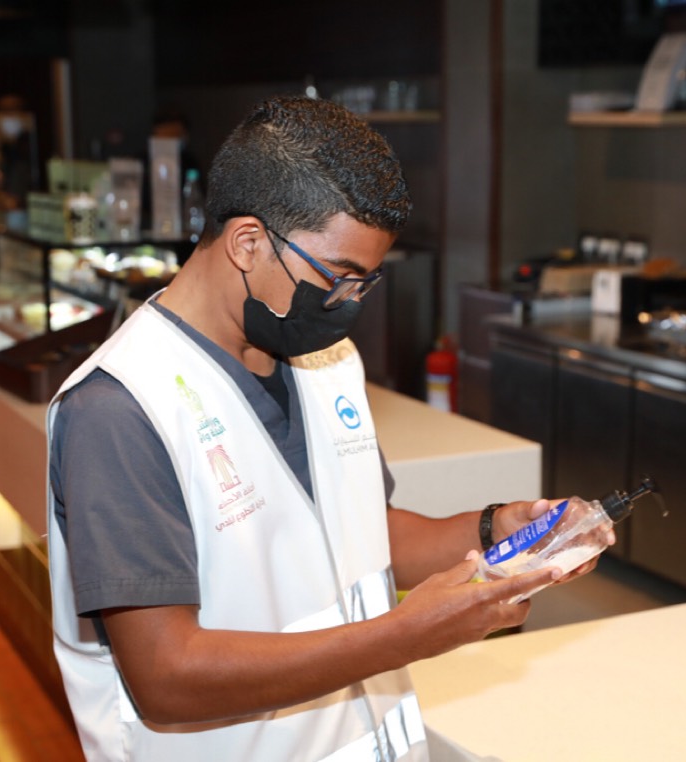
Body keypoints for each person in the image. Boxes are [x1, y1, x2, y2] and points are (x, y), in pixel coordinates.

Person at [47, 95, 612, 761]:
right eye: (338, 279)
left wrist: (494, 531)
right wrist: (405, 634)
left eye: (365, 284)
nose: (348, 306)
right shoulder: (119, 409)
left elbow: (365, 533)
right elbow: (167, 676)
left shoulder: (327, 360)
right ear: (248, 243)